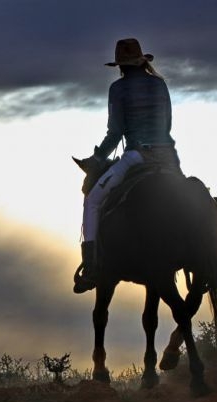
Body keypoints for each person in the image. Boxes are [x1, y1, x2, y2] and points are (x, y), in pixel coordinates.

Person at [74, 38, 184, 294]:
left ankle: (90, 268)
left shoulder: (118, 89)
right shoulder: (159, 85)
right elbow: (167, 123)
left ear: (121, 67)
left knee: (92, 201)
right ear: (142, 61)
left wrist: (98, 158)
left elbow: (115, 133)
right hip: (169, 157)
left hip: (137, 156)